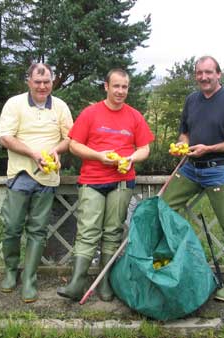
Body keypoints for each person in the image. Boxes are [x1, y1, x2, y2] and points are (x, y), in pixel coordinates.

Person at [57, 68, 154, 302]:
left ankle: (105, 282)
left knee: (113, 232)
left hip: (122, 181)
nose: (120, 91)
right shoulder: (91, 113)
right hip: (92, 180)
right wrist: (100, 156)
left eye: (125, 87)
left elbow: (145, 148)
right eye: (116, 86)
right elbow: (74, 145)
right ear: (106, 87)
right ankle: (76, 283)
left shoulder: (134, 116)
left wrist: (132, 158)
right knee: (88, 231)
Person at [162, 56, 224, 302]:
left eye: (208, 72)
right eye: (199, 73)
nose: (204, 77)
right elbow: (185, 133)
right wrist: (181, 146)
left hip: (218, 168)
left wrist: (209, 148)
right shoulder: (192, 100)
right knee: (164, 208)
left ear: (219, 74)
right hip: (190, 167)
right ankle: (186, 260)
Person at [0, 63, 73, 303]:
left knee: (38, 231)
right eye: (38, 81)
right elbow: (5, 138)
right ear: (28, 80)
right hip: (20, 174)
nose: (42, 86)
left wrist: (56, 150)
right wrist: (34, 154)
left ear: (52, 82)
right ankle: (11, 271)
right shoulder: (14, 103)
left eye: (47, 81)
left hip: (47, 178)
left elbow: (71, 138)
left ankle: (29, 279)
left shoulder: (60, 107)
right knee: (11, 227)